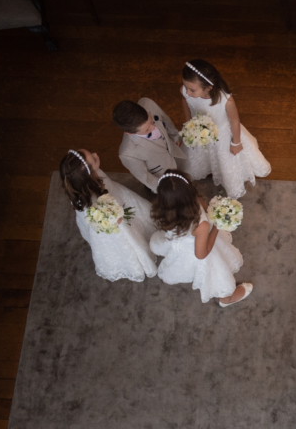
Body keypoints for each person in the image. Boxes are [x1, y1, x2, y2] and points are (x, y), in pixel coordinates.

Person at [149, 170, 253, 306]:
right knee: (217, 274)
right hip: (197, 246)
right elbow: (201, 254)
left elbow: (205, 208)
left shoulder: (164, 208)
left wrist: (213, 210)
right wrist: (217, 225)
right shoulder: (200, 225)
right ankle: (226, 299)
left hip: (176, 238)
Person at [61, 148, 158, 282]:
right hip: (111, 221)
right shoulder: (94, 203)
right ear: (88, 174)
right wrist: (115, 218)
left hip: (112, 200)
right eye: (93, 158)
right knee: (127, 239)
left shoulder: (78, 185)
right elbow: (111, 222)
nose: (96, 154)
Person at [180, 59, 270, 198]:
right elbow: (185, 102)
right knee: (201, 155)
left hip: (222, 136)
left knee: (225, 161)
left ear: (208, 87)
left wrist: (236, 142)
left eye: (192, 89)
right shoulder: (186, 93)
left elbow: (234, 121)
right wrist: (188, 124)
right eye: (186, 87)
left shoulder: (225, 101)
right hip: (199, 133)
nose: (187, 92)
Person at [116, 98, 187, 193]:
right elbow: (145, 177)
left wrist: (175, 136)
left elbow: (165, 120)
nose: (153, 127)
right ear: (129, 133)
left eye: (151, 122)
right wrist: (166, 190)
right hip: (162, 177)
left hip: (174, 152)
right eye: (146, 130)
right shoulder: (127, 154)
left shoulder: (148, 103)